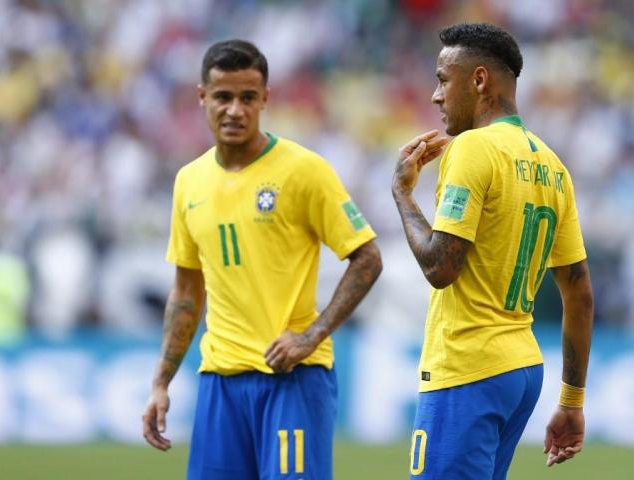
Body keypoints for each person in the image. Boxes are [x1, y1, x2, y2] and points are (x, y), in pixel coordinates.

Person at [142, 39, 383, 480]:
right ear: (201, 97)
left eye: (247, 97)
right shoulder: (189, 182)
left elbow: (367, 258)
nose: (235, 109)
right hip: (220, 380)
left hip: (292, 377)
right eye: (223, 97)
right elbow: (186, 288)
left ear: (265, 99)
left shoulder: (303, 171)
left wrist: (311, 336)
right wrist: (161, 381)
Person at [391, 23, 594, 479]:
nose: (434, 96)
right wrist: (572, 403)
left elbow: (441, 266)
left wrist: (403, 195)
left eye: (443, 79)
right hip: (520, 369)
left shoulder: (472, 149)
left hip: (468, 367)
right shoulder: (552, 165)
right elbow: (578, 289)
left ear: (479, 80)